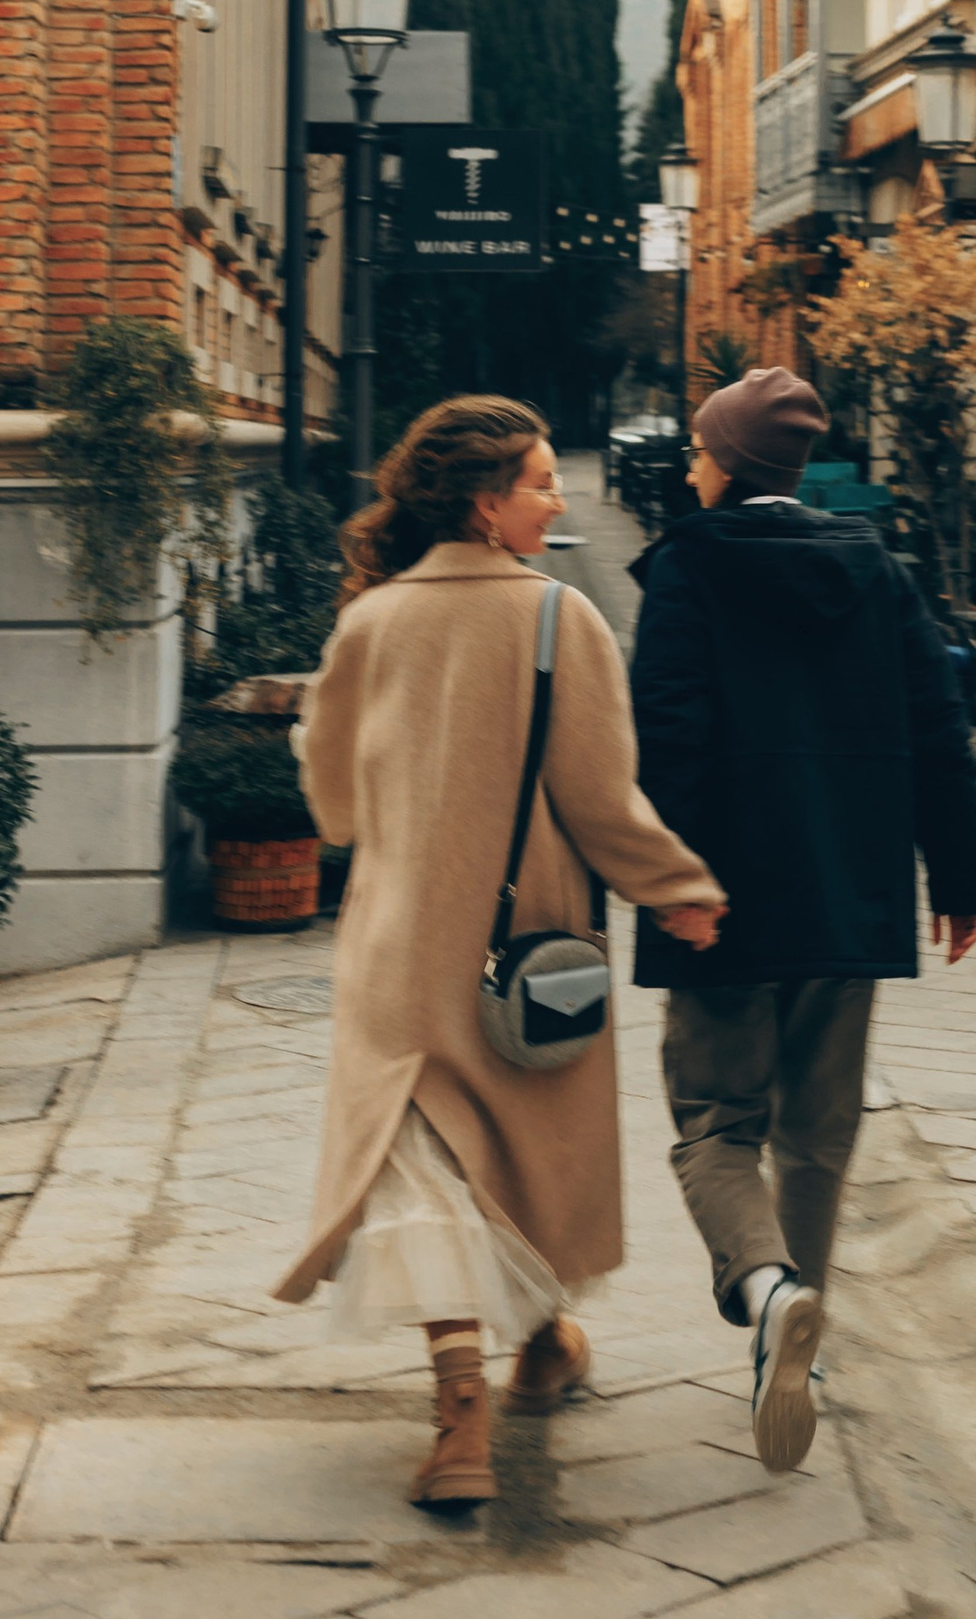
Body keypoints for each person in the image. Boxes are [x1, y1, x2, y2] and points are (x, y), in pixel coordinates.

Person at [276, 397, 726, 1510]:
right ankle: (514, 1367)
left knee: (423, 1174)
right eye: (539, 482)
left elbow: (330, 806)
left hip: (397, 953)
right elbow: (600, 798)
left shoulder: (369, 621)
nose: (558, 496)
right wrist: (679, 890)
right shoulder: (559, 619)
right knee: (520, 1162)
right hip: (524, 953)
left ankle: (471, 1405)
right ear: (485, 502)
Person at [629, 366, 976, 1475]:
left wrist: (669, 881)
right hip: (851, 891)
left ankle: (772, 1287)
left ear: (728, 462)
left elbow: (667, 742)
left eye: (698, 447)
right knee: (819, 1133)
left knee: (713, 1121)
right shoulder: (877, 570)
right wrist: (960, 878)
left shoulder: (689, 568)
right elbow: (938, 723)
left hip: (725, 901)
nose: (690, 463)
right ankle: (801, 1352)